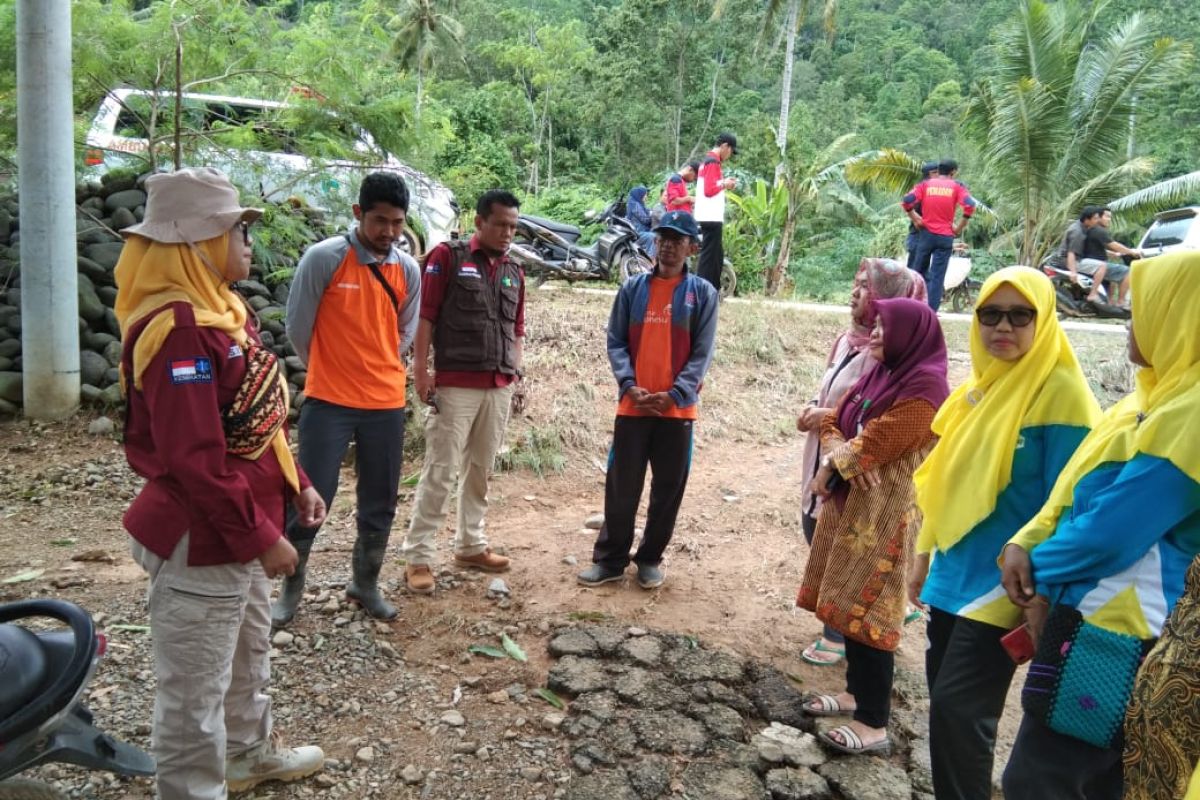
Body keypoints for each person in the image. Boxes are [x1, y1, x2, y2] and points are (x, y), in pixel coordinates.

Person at [114, 168, 326, 798]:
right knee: (192, 692)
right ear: (196, 242)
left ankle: (245, 754)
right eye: (238, 230)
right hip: (204, 538)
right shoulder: (181, 329)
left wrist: (299, 484)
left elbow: (252, 428)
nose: (248, 242)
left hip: (234, 530)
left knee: (245, 653)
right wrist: (261, 536)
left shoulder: (222, 315)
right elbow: (194, 459)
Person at [999, 252, 1200, 799]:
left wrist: (1033, 568)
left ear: (1181, 315)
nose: (1131, 321)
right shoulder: (1154, 397)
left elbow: (1113, 532)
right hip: (1101, 618)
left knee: (1042, 781)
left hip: (1118, 629)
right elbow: (1074, 489)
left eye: (1143, 309)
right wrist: (1025, 543)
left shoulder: (1191, 410)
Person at [908, 267, 1100, 800]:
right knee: (947, 706)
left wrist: (1042, 595)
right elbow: (943, 483)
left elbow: (1069, 502)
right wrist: (922, 554)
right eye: (991, 314)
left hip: (1005, 582)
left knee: (959, 709)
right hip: (952, 569)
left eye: (1021, 315)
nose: (1004, 327)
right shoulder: (979, 388)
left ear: (1044, 320)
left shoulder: (1061, 394)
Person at [799, 298, 950, 755]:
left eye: (887, 327)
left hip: (887, 516)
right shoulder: (879, 374)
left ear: (912, 334)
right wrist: (839, 458)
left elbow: (880, 441)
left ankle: (873, 722)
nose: (878, 334)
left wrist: (837, 463)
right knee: (847, 602)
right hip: (853, 510)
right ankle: (854, 694)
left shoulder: (926, 391)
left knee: (872, 611)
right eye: (877, 325)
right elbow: (835, 421)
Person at [273, 172, 422, 626]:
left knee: (380, 497)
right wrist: (333, 367)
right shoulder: (325, 258)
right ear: (358, 214)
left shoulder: (407, 268)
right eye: (380, 221)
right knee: (311, 493)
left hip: (385, 402)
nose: (390, 233)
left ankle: (365, 583)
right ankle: (290, 589)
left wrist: (378, 367)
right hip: (329, 400)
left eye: (398, 223)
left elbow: (406, 333)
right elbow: (299, 328)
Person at [576, 211, 719, 590]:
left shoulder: (702, 294)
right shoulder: (632, 289)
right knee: (622, 486)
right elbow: (616, 341)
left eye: (678, 240)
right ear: (655, 243)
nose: (669, 246)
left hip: (677, 411)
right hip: (633, 407)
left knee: (668, 489)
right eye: (663, 238)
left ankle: (651, 558)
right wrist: (629, 384)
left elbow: (702, 353)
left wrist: (674, 393)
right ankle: (610, 560)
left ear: (693, 247)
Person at [796, 258, 927, 666]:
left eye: (867, 287)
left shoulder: (895, 353)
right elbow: (837, 395)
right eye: (855, 284)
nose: (856, 293)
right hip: (827, 454)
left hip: (861, 469)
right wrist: (817, 413)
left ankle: (839, 634)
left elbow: (880, 422)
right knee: (817, 529)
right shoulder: (847, 341)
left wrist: (828, 420)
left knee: (845, 545)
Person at [400, 190, 524, 594]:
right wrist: (421, 372)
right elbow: (426, 317)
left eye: (513, 226)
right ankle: (419, 556)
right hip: (455, 386)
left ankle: (471, 544)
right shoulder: (447, 258)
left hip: (498, 387)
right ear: (479, 222)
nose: (507, 233)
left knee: (480, 471)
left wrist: (516, 374)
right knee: (440, 471)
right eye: (501, 224)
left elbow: (516, 330)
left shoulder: (514, 271)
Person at [902, 158, 977, 311]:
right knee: (937, 277)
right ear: (953, 172)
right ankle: (930, 312)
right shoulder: (957, 187)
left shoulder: (925, 185)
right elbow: (970, 205)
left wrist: (916, 218)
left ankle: (911, 307)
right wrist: (960, 227)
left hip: (926, 235)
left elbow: (907, 200)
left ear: (939, 170)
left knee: (918, 272)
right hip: (945, 237)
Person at [694, 132, 738, 290]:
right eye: (731, 151)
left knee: (716, 255)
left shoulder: (709, 161)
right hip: (710, 216)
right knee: (709, 256)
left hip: (709, 216)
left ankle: (712, 289)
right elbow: (709, 190)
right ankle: (703, 290)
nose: (730, 155)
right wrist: (725, 184)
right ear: (725, 146)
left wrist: (724, 183)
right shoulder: (712, 162)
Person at [1080, 207, 1141, 307]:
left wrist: (1111, 254)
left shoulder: (1092, 230)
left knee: (1114, 276)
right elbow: (1114, 245)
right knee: (1128, 272)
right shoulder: (1098, 230)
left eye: (1110, 217)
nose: (1109, 219)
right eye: (1107, 216)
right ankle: (1121, 302)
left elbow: (1095, 247)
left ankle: (1109, 303)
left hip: (1094, 263)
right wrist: (1131, 252)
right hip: (1096, 265)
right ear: (1098, 218)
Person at [1043, 206, 1104, 299]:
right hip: (1065, 261)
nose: (1098, 220)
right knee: (1102, 266)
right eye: (1095, 218)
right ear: (1087, 220)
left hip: (1063, 258)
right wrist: (1073, 272)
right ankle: (1093, 294)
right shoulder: (1077, 232)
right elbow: (1071, 253)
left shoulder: (1082, 226)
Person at [904, 162, 939, 271]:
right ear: (930, 174)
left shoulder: (934, 189)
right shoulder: (920, 189)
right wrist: (917, 220)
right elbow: (907, 203)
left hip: (926, 235)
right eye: (936, 173)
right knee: (914, 270)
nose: (939, 176)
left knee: (922, 270)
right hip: (918, 235)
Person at [626, 185, 658, 256]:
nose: (646, 197)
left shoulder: (639, 204)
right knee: (653, 236)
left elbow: (647, 211)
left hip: (642, 230)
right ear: (639, 195)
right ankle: (651, 260)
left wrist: (652, 212)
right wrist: (652, 215)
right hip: (637, 233)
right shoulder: (634, 205)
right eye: (645, 195)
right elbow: (645, 220)